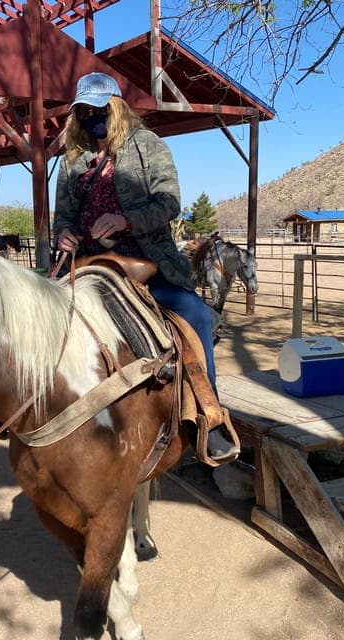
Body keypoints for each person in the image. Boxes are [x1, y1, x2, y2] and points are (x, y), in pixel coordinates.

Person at [52, 71, 238, 459]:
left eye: (98, 109)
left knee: (196, 317)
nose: (91, 116)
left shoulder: (147, 146)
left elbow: (169, 202)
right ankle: (30, 404)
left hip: (146, 261)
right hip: (89, 263)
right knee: (40, 312)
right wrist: (64, 234)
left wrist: (126, 221)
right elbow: (63, 214)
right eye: (84, 110)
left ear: (116, 107)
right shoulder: (73, 158)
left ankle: (209, 415)